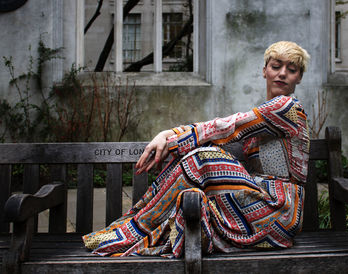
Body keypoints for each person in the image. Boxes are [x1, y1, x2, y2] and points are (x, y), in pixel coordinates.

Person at [83, 41, 311, 257]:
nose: (282, 73)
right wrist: (175, 140)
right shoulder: (263, 114)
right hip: (255, 209)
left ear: (299, 77)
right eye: (276, 66)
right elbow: (219, 134)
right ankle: (132, 227)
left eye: (291, 69)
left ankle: (129, 230)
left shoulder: (288, 109)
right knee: (194, 182)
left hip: (279, 212)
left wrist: (170, 136)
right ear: (265, 71)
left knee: (202, 159)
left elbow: (226, 127)